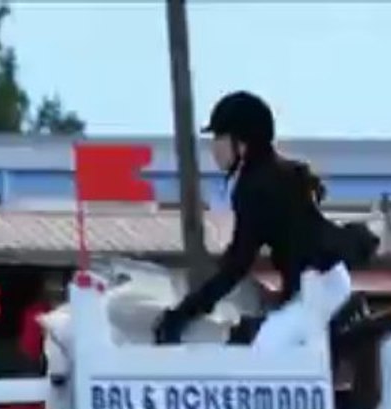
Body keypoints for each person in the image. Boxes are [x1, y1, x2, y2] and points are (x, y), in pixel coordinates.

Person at [152, 90, 376, 350]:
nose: (213, 148)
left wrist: (183, 314)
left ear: (242, 143)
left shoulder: (255, 185)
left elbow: (237, 264)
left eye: (219, 137)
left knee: (263, 352)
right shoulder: (273, 172)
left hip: (317, 290)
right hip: (323, 284)